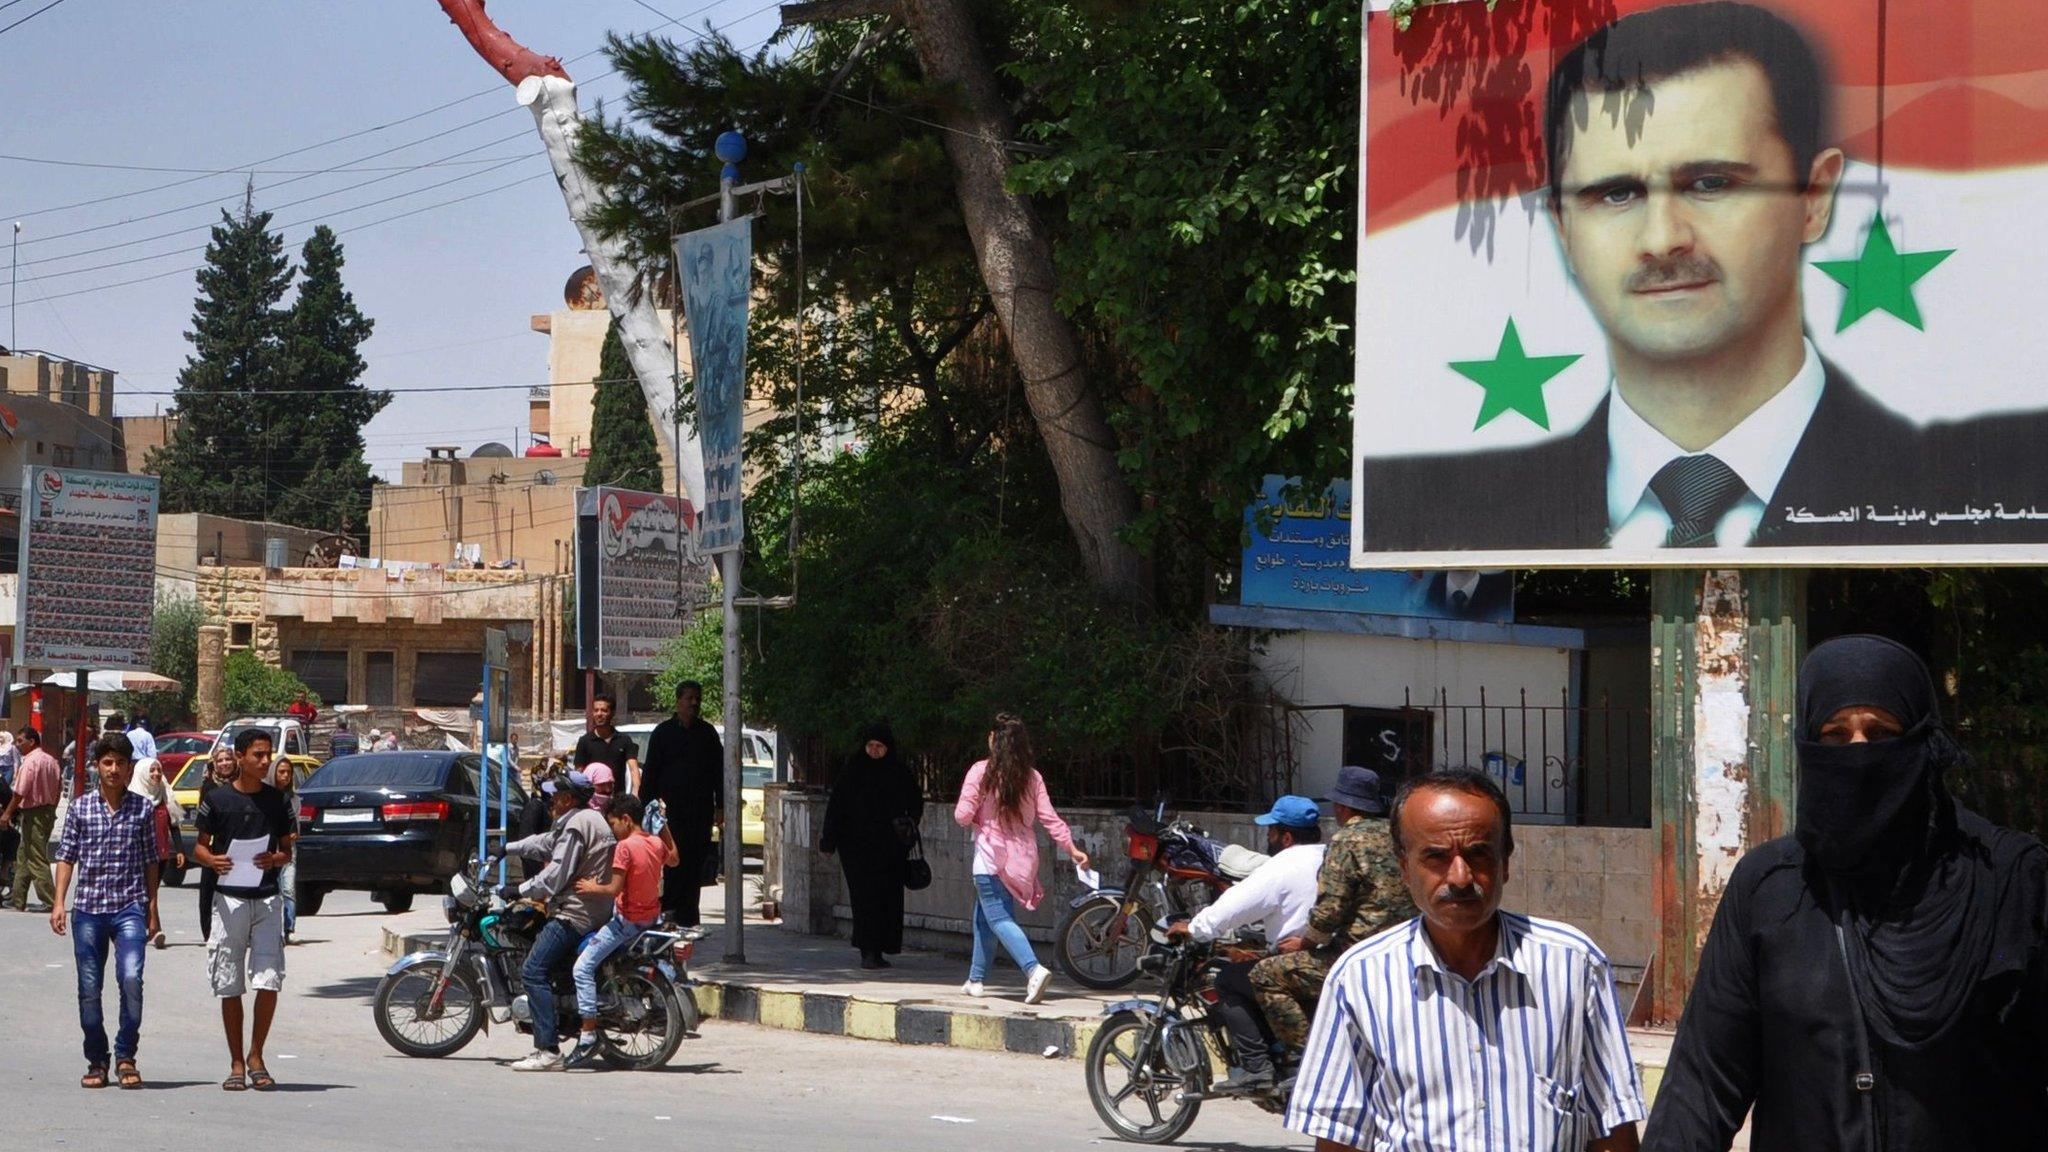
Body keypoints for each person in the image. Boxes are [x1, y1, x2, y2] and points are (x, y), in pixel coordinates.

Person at [1359, 1, 2048, 554]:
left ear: (1814, 197)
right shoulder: (1434, 505)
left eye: (1711, 183)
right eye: (1615, 194)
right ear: (1562, 228)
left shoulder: (1983, 478)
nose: (1662, 241)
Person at [1642, 636, 2048, 1151]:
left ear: (1923, 742)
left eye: (1881, 733)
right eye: (1835, 736)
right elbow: (1701, 1088)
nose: (1859, 753)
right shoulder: (1772, 888)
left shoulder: (2008, 881)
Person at [1288, 767, 1645, 1151]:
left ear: (1505, 862)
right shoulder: (1359, 979)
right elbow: (1342, 1138)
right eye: (1437, 857)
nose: (1460, 877)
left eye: (1477, 854)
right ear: (1405, 868)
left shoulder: (1574, 965)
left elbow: (1612, 1129)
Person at [1165, 794, 1327, 1092]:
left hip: (1301, 965)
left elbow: (1231, 908)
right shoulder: (1329, 856)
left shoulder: (1282, 866)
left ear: (1286, 836)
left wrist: (1193, 927)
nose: (1268, 838)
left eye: (1271, 832)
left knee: (1228, 979)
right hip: (1329, 957)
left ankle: (1257, 1067)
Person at [1251, 765, 1417, 1054]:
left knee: (1264, 974)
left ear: (1342, 806)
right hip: (1408, 947)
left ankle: (1312, 1057)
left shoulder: (1346, 840)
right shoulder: (1400, 835)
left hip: (1358, 955)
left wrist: (1305, 942)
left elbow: (1330, 908)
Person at [49, 733, 165, 1090]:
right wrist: (58, 903)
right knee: (89, 987)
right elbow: (66, 855)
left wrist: (152, 909)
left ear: (130, 768)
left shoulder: (142, 809)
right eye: (107, 763)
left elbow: (150, 862)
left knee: (131, 979)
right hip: (89, 910)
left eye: (120, 763)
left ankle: (126, 1055)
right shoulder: (81, 808)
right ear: (98, 767)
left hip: (129, 908)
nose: (114, 770)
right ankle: (97, 1059)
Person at [952, 713, 1089, 1005]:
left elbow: (962, 816)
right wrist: (1072, 849)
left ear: (994, 740)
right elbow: (1050, 819)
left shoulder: (980, 771)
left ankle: (1033, 969)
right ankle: (975, 979)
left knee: (999, 918)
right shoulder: (1032, 777)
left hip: (990, 858)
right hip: (1023, 859)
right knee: (984, 917)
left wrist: (978, 809)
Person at [191, 728, 296, 1092]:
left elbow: (288, 851)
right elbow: (199, 847)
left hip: (267, 899)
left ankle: (257, 1054)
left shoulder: (277, 801)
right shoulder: (217, 800)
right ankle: (236, 1061)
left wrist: (275, 859)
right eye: (258, 755)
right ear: (239, 757)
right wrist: (213, 861)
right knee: (229, 982)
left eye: (268, 755)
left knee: (269, 980)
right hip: (228, 900)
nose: (265, 761)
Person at [501, 769, 615, 1072]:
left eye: (555, 796)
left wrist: (519, 889)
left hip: (576, 913)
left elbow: (555, 874)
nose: (550, 801)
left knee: (533, 971)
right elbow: (547, 843)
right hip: (595, 908)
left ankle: (547, 1049)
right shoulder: (583, 820)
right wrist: (507, 848)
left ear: (567, 799)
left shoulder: (577, 825)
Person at [562, 794, 665, 1069]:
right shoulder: (655, 842)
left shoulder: (625, 847)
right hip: (650, 920)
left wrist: (589, 887)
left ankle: (587, 1035)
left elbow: (613, 890)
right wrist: (663, 826)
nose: (611, 829)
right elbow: (675, 858)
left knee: (581, 969)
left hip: (626, 923)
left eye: (613, 823)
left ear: (626, 820)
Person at [819, 721, 924, 969]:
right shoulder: (852, 771)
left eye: (879, 746)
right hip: (856, 848)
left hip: (890, 848)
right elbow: (836, 808)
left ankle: (880, 949)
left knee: (887, 898)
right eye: (870, 746)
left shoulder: (899, 772)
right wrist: (828, 842)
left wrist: (908, 825)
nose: (874, 751)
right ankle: (868, 950)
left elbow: (915, 802)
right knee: (864, 898)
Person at [636, 681, 722, 928]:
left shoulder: (707, 734)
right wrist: (644, 810)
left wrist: (720, 807)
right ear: (678, 701)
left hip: (701, 811)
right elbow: (651, 772)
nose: (694, 703)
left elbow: (718, 772)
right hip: (670, 814)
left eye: (697, 699)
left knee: (695, 865)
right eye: (689, 698)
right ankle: (670, 914)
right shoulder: (663, 733)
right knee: (673, 863)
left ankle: (689, 917)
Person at [128, 757, 184, 948]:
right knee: (146, 892)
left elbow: (173, 825)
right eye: (152, 771)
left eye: (159, 771)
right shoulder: (132, 799)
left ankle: (148, 929)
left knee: (152, 891)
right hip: (139, 855)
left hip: (161, 854)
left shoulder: (164, 795)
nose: (156, 775)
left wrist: (180, 851)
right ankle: (156, 929)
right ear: (142, 772)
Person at [4, 726, 61, 913]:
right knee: (24, 854)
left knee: (35, 856)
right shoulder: (51, 761)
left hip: (34, 813)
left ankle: (51, 900)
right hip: (46, 811)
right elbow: (58, 789)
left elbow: (19, 792)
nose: (17, 744)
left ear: (32, 741)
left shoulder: (30, 763)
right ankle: (17, 899)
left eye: (20, 741)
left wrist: (7, 814)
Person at [195, 747, 238, 942]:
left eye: (228, 759)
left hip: (237, 847)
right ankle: (208, 934)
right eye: (220, 761)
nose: (224, 764)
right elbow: (203, 821)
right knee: (207, 893)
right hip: (212, 847)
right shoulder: (209, 786)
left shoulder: (242, 783)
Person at [573, 693, 640, 792]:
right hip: (593, 802)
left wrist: (635, 795)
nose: (599, 714)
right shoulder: (585, 741)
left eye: (604, 710)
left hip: (617, 801)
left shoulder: (624, 740)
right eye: (596, 710)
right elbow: (579, 774)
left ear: (612, 713)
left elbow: (634, 769)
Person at [270, 755, 299, 942]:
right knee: (273, 891)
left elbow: (295, 830)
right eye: (281, 772)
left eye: (288, 772)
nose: (285, 776)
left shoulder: (294, 799)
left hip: (288, 850)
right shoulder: (267, 797)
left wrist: (288, 837)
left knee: (288, 888)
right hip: (270, 851)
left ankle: (288, 928)